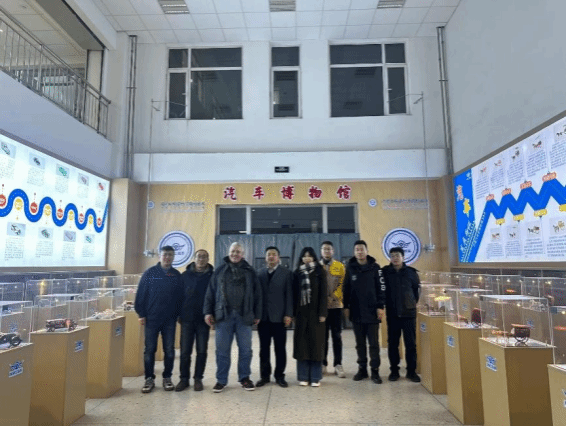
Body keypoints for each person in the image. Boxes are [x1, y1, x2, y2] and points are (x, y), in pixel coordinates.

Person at [203, 242, 262, 392]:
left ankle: (245, 378)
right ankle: (221, 380)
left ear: (243, 254)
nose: (235, 254)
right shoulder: (220, 270)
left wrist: (257, 314)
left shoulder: (250, 271)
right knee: (222, 351)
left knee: (246, 350)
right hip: (223, 316)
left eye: (238, 251)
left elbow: (258, 294)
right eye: (233, 251)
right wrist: (208, 312)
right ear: (228, 252)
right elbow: (210, 292)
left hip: (244, 316)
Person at [135, 245, 183, 394]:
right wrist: (141, 313)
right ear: (160, 256)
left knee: (169, 350)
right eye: (165, 254)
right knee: (150, 350)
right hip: (152, 318)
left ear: (173, 257)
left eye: (170, 255)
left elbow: (181, 297)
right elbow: (141, 294)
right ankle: (149, 378)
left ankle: (167, 377)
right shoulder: (150, 273)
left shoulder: (176, 275)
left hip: (169, 320)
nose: (167, 257)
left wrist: (178, 314)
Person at [343, 240, 386, 384]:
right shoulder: (350, 268)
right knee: (359, 343)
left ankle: (375, 371)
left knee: (373, 343)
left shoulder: (376, 268)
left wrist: (380, 306)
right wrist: (346, 306)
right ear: (354, 252)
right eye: (357, 249)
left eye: (362, 249)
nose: (359, 252)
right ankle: (362, 369)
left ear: (366, 251)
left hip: (373, 311)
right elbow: (346, 288)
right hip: (356, 312)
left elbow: (381, 288)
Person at [176, 249, 214, 392]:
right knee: (185, 351)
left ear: (208, 259)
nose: (201, 259)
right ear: (194, 258)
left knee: (202, 351)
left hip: (204, 319)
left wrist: (213, 315)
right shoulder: (185, 276)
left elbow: (216, 297)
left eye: (204, 257)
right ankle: (184, 379)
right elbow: (178, 296)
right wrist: (178, 315)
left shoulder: (212, 276)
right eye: (199, 257)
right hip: (187, 319)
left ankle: (198, 378)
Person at [381, 247, 421, 383]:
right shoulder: (385, 272)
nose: (395, 258)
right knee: (393, 344)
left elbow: (416, 292)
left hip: (409, 313)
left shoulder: (411, 272)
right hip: (392, 313)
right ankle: (394, 371)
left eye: (397, 255)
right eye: (392, 256)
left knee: (410, 344)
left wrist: (411, 303)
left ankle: (411, 371)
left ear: (403, 257)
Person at [255, 246, 293, 388]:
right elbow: (256, 296)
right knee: (264, 349)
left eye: (274, 254)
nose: (271, 256)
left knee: (280, 349)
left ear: (278, 257)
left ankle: (280, 376)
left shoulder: (286, 273)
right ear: (265, 258)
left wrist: (288, 314)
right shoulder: (259, 273)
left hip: (280, 318)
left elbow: (289, 295)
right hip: (263, 318)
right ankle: (264, 376)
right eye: (268, 254)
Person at [292, 247, 327, 387]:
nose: (307, 258)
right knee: (302, 346)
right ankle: (303, 376)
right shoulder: (297, 273)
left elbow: (324, 293)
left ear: (314, 257)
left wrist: (323, 313)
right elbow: (294, 295)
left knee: (316, 345)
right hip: (301, 315)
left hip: (316, 315)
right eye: (304, 256)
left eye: (309, 256)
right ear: (301, 258)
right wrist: (293, 314)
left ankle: (315, 377)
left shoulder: (320, 272)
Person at [320, 241, 346, 378]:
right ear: (321, 251)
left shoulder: (340, 266)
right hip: (322, 309)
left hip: (336, 306)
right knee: (322, 337)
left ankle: (338, 364)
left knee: (337, 336)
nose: (326, 251)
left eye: (329, 249)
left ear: (333, 251)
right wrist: (324, 300)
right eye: (324, 249)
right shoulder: (317, 266)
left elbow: (342, 284)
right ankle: (323, 363)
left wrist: (334, 297)